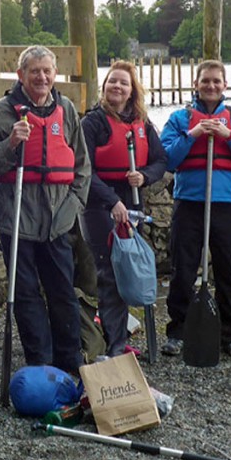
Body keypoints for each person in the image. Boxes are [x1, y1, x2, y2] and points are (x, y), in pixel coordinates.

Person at [0, 45, 91, 376]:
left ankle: (70, 364)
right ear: (21, 75)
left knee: (62, 292)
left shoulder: (67, 109)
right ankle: (40, 364)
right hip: (17, 219)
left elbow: (82, 164)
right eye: (34, 71)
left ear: (54, 74)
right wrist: (10, 144)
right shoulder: (2, 112)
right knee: (26, 296)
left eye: (47, 71)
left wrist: (75, 204)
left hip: (59, 219)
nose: (41, 77)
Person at [159, 59, 231, 360]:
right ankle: (177, 331)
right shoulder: (180, 119)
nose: (211, 86)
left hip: (225, 205)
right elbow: (167, 159)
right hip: (189, 203)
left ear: (225, 86)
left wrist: (229, 137)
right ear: (196, 84)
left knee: (229, 271)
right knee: (183, 270)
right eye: (206, 81)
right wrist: (193, 135)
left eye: (217, 81)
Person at [80, 61, 167, 357]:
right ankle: (114, 344)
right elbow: (84, 171)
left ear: (132, 91)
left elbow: (160, 161)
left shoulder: (142, 123)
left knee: (128, 271)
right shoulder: (92, 123)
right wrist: (112, 202)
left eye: (123, 83)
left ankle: (116, 335)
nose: (117, 86)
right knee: (110, 272)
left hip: (132, 202)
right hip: (100, 206)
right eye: (112, 81)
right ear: (105, 87)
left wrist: (144, 177)